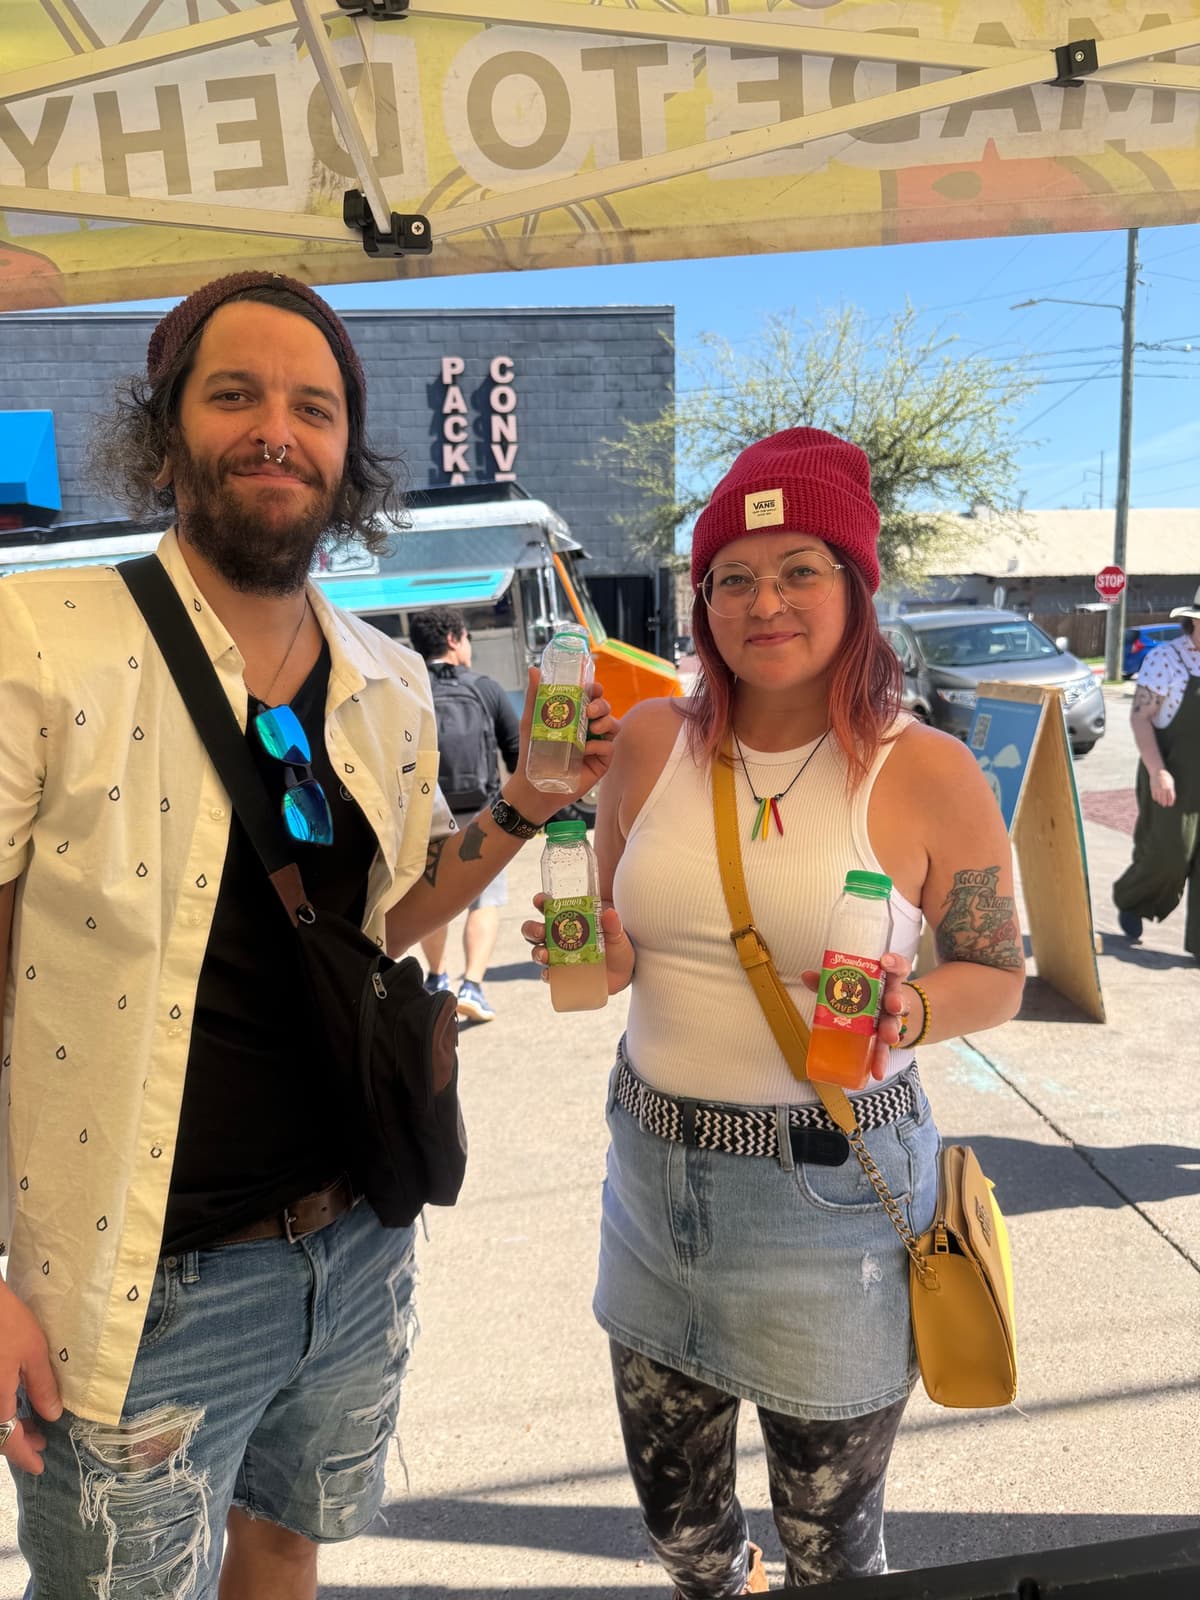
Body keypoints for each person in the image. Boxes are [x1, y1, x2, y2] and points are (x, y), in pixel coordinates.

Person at [0, 270, 615, 1600]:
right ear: (167, 436)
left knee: (287, 1547)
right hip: (139, 1283)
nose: (278, 428)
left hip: (359, 1237)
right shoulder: (39, 642)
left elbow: (380, 916)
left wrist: (521, 810)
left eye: (314, 407)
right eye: (236, 395)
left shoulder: (388, 682)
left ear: (349, 455)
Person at [526, 428, 1025, 1595]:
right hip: (652, 1180)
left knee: (832, 1555)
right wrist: (584, 944)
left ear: (858, 583)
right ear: (702, 602)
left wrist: (905, 1012)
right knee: (683, 1536)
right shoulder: (651, 741)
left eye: (801, 567)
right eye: (733, 577)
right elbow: (614, 944)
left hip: (832, 1198)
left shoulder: (930, 770)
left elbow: (997, 973)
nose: (765, 601)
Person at [409, 607, 521, 1023]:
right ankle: (472, 985)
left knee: (429, 895)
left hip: (424, 814)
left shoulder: (407, 688)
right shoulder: (486, 688)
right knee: (484, 899)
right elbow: (516, 753)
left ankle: (436, 979)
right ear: (455, 639)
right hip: (482, 813)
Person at [1113, 585, 1200, 964]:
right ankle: (1132, 898)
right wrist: (1157, 771)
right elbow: (1140, 717)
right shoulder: (1166, 659)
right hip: (1172, 774)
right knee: (1170, 854)